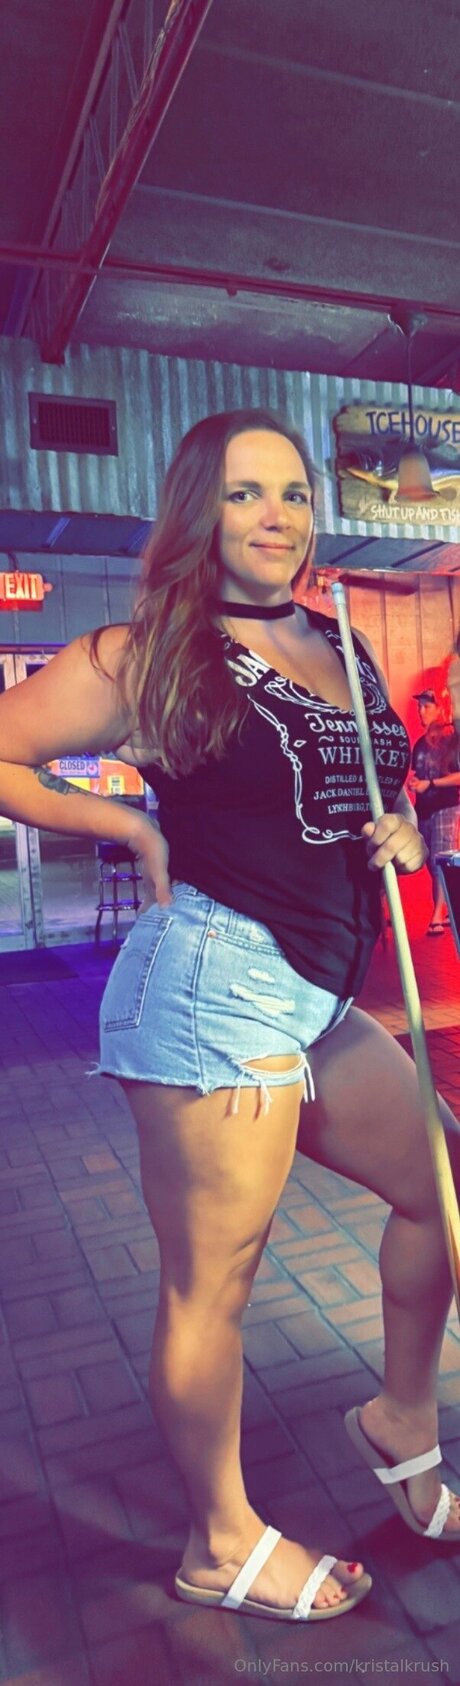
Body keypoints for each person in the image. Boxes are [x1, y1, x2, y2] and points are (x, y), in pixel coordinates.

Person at [1, 408, 459, 1626]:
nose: (276, 516)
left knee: (440, 1190)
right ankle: (218, 1541)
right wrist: (126, 823)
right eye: (246, 493)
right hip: (212, 987)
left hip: (319, 991)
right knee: (216, 1283)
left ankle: (398, 1418)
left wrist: (397, 830)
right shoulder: (150, 650)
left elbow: (365, 785)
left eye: (295, 493)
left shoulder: (340, 639)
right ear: (200, 509)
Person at [408, 688, 460, 934]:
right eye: (420, 706)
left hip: (446, 807)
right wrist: (415, 783)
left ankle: (437, 913)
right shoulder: (420, 744)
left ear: (440, 709)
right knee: (430, 860)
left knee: (439, 859)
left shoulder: (452, 740)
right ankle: (446, 905)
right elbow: (418, 774)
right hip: (424, 809)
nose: (421, 711)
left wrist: (430, 784)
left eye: (427, 706)